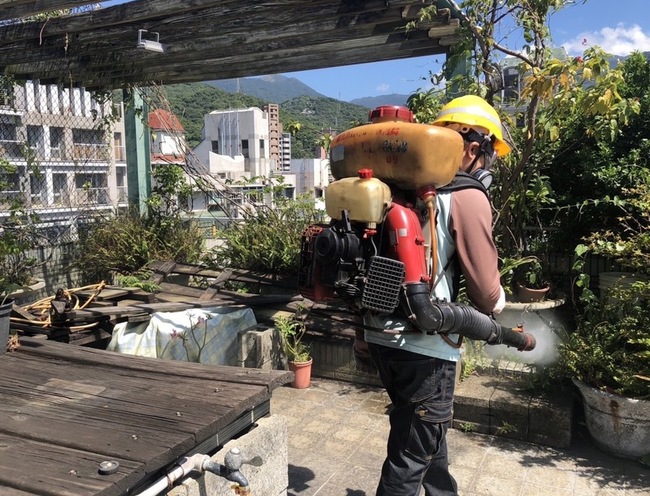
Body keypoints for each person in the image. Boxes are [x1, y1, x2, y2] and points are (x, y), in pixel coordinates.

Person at [357, 95, 512, 496]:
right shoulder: (466, 193)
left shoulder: (398, 188)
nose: (487, 167)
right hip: (426, 346)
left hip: (381, 335)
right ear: (474, 149)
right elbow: (485, 293)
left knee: (426, 437)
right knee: (410, 457)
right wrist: (498, 305)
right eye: (489, 157)